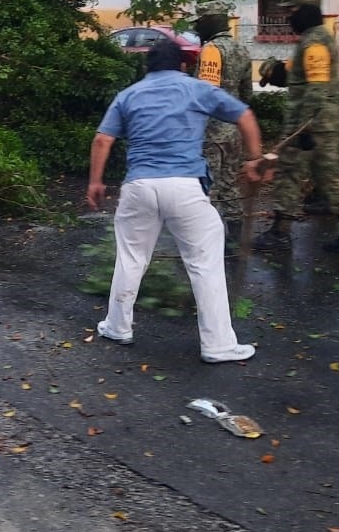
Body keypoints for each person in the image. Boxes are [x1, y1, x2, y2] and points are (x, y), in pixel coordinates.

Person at [87, 38, 266, 363]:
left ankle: (117, 327)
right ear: (183, 65)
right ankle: (218, 345)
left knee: (130, 258)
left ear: (147, 67)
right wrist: (254, 161)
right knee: (205, 263)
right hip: (185, 187)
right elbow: (245, 116)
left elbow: (102, 140)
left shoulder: (128, 95)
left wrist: (95, 182)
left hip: (139, 186)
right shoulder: (196, 88)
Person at [253, 0, 339, 254]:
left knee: (289, 173)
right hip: (322, 122)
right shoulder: (314, 39)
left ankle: (280, 234)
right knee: (328, 179)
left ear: (306, 11)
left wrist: (304, 128)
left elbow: (316, 88)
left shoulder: (314, 42)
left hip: (308, 123)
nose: (289, 17)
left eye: (292, 11)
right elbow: (297, 72)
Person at [191, 1, 253, 248]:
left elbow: (206, 92)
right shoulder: (241, 49)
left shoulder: (212, 49)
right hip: (234, 130)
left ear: (211, 22)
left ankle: (209, 241)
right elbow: (247, 96)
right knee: (229, 184)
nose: (197, 28)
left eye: (199, 23)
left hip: (212, 132)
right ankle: (235, 239)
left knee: (209, 186)